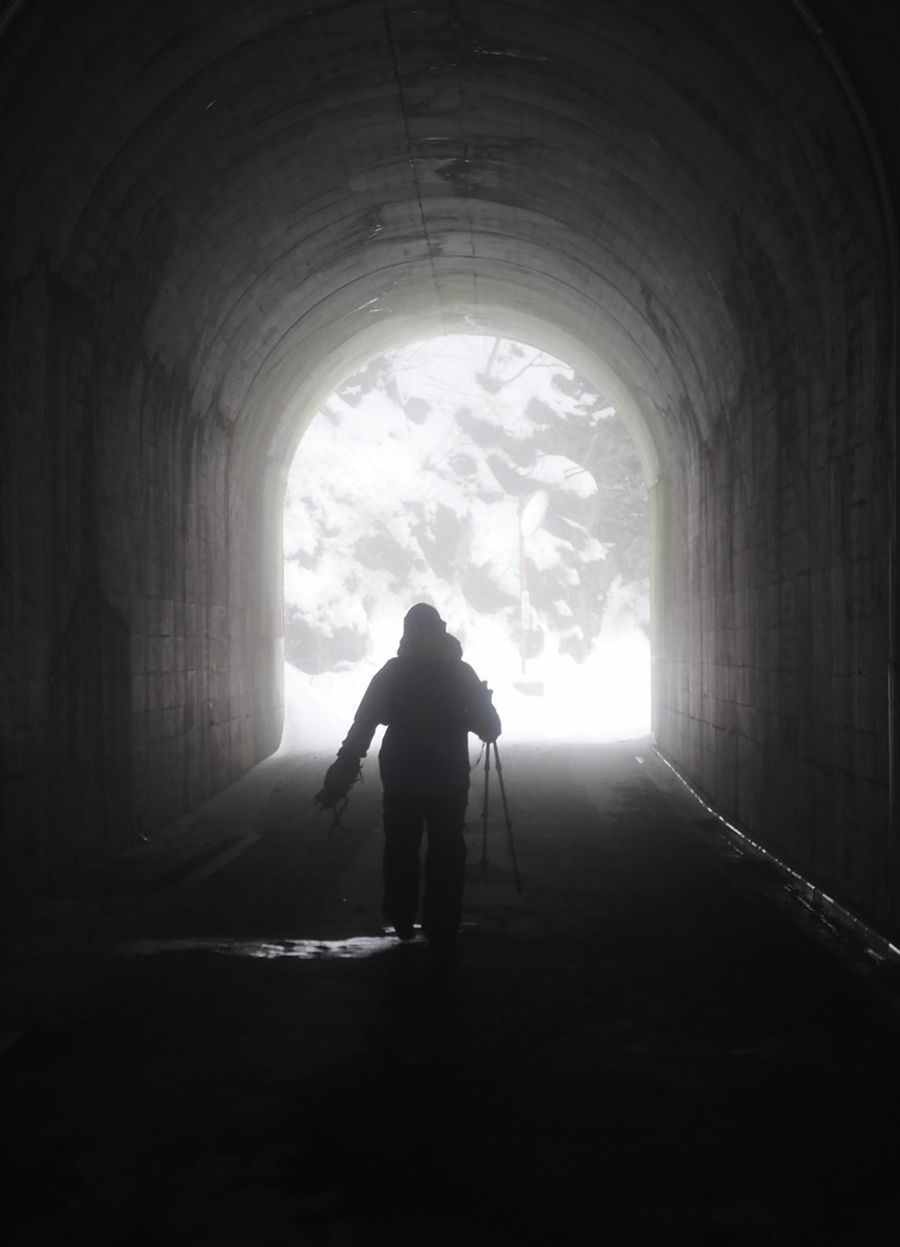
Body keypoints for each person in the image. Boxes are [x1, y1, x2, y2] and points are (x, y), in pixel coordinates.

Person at [314, 603, 501, 966]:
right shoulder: (460, 674)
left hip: (401, 781)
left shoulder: (393, 673)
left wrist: (342, 770)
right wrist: (483, 703)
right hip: (448, 782)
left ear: (407, 633)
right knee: (447, 854)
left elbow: (364, 723)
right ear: (441, 631)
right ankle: (441, 927)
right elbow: (491, 730)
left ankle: (401, 916)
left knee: (401, 848)